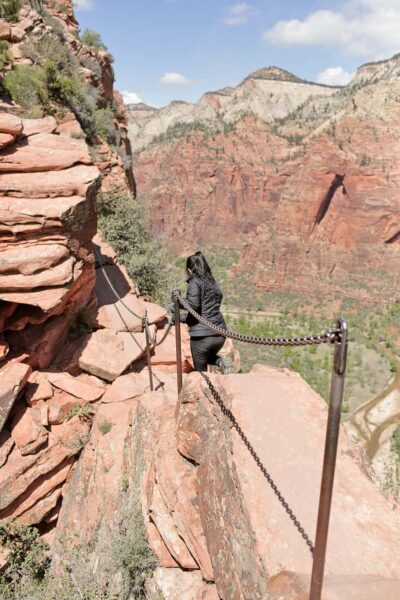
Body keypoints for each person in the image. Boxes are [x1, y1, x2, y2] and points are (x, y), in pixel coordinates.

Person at [181, 251, 234, 374]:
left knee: (201, 374)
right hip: (219, 334)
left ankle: (204, 391)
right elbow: (201, 313)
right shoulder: (212, 282)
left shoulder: (195, 282)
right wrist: (179, 318)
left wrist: (177, 302)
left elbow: (194, 306)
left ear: (189, 270)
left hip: (202, 337)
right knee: (206, 357)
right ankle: (221, 362)